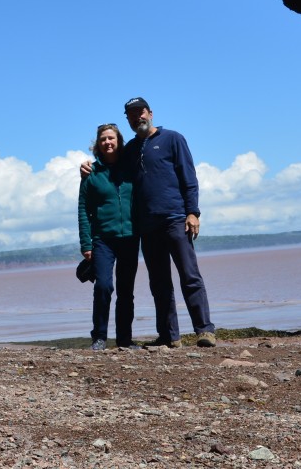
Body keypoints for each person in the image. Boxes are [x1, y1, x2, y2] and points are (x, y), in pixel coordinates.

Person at [83, 98, 216, 348]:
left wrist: (193, 212)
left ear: (150, 113)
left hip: (176, 219)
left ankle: (204, 330)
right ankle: (169, 336)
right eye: (132, 115)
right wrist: (88, 167)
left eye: (140, 112)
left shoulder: (173, 139)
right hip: (147, 227)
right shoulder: (131, 149)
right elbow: (108, 165)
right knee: (159, 283)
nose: (137, 118)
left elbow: (189, 177)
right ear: (129, 120)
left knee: (189, 276)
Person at [78, 123, 140, 351]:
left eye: (111, 138)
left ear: (118, 141)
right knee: (103, 286)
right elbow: (83, 209)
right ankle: (99, 337)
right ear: (98, 144)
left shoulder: (131, 168)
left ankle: (125, 339)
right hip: (103, 239)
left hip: (131, 238)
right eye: (103, 139)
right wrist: (86, 243)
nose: (107, 142)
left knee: (126, 291)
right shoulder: (91, 173)